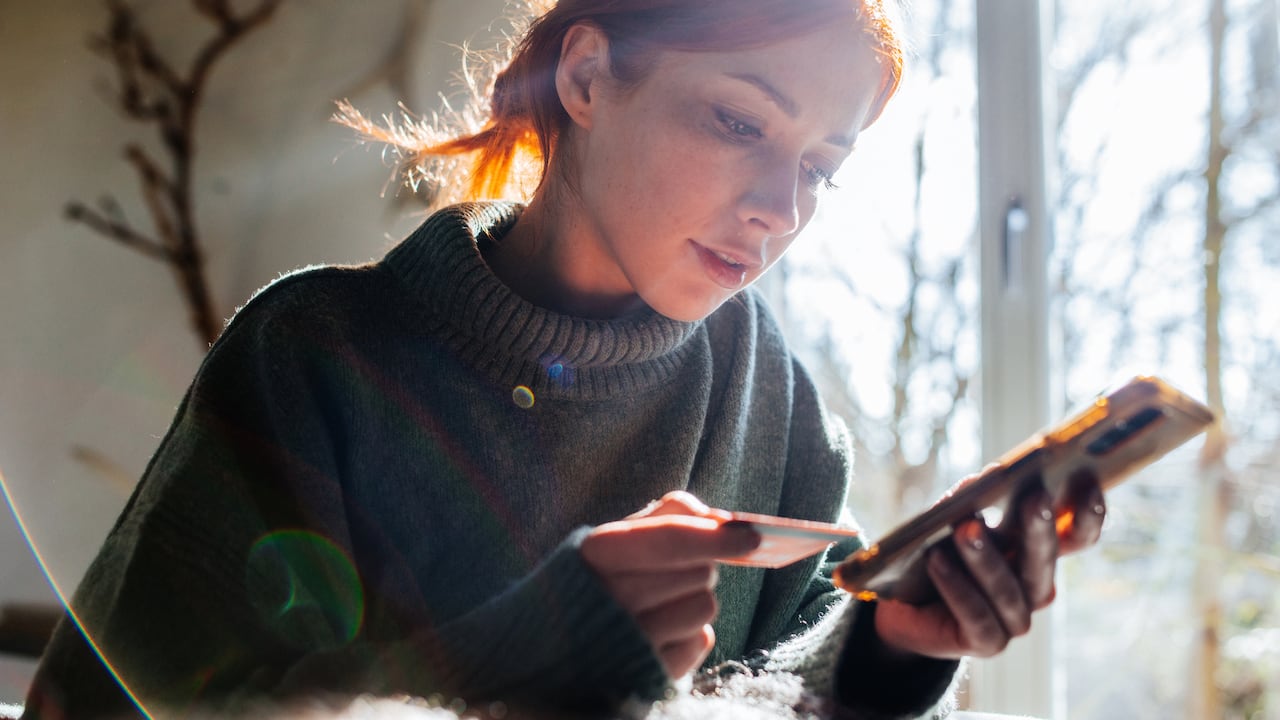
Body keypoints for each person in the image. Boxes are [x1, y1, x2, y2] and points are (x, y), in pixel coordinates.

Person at [24, 0, 1107, 718]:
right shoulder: (315, 356)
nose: (780, 210)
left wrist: (884, 653)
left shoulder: (769, 393)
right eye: (738, 123)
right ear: (586, 78)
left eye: (821, 167)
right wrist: (535, 653)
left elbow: (786, 691)